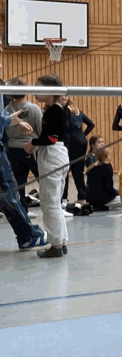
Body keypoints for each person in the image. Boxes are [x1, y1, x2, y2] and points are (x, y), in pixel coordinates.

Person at [0, 48, 47, 250]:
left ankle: (27, 229)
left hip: (15, 149)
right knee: (11, 191)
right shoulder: (25, 107)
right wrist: (10, 120)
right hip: (19, 150)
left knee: (13, 189)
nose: (1, 50)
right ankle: (28, 233)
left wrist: (13, 122)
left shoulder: (20, 108)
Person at [28, 74, 70, 258]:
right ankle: (61, 241)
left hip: (52, 155)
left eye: (39, 87)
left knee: (49, 203)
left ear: (51, 90)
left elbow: (51, 138)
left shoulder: (54, 111)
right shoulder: (55, 110)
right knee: (55, 202)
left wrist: (32, 143)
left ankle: (56, 244)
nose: (35, 91)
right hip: (57, 154)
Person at [4, 78, 42, 211]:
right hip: (31, 149)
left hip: (13, 149)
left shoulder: (7, 110)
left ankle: (22, 211)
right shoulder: (33, 108)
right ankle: (54, 205)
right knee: (43, 179)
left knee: (18, 183)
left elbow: (6, 130)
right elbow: (41, 130)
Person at [61, 97, 94, 204]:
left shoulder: (64, 111)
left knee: (66, 169)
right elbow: (91, 124)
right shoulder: (78, 111)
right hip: (81, 141)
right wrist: (83, 135)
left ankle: (64, 198)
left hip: (69, 141)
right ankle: (82, 197)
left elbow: (65, 127)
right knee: (78, 170)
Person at [85, 139, 117, 211]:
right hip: (102, 199)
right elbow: (108, 187)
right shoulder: (107, 167)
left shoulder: (93, 167)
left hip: (91, 197)